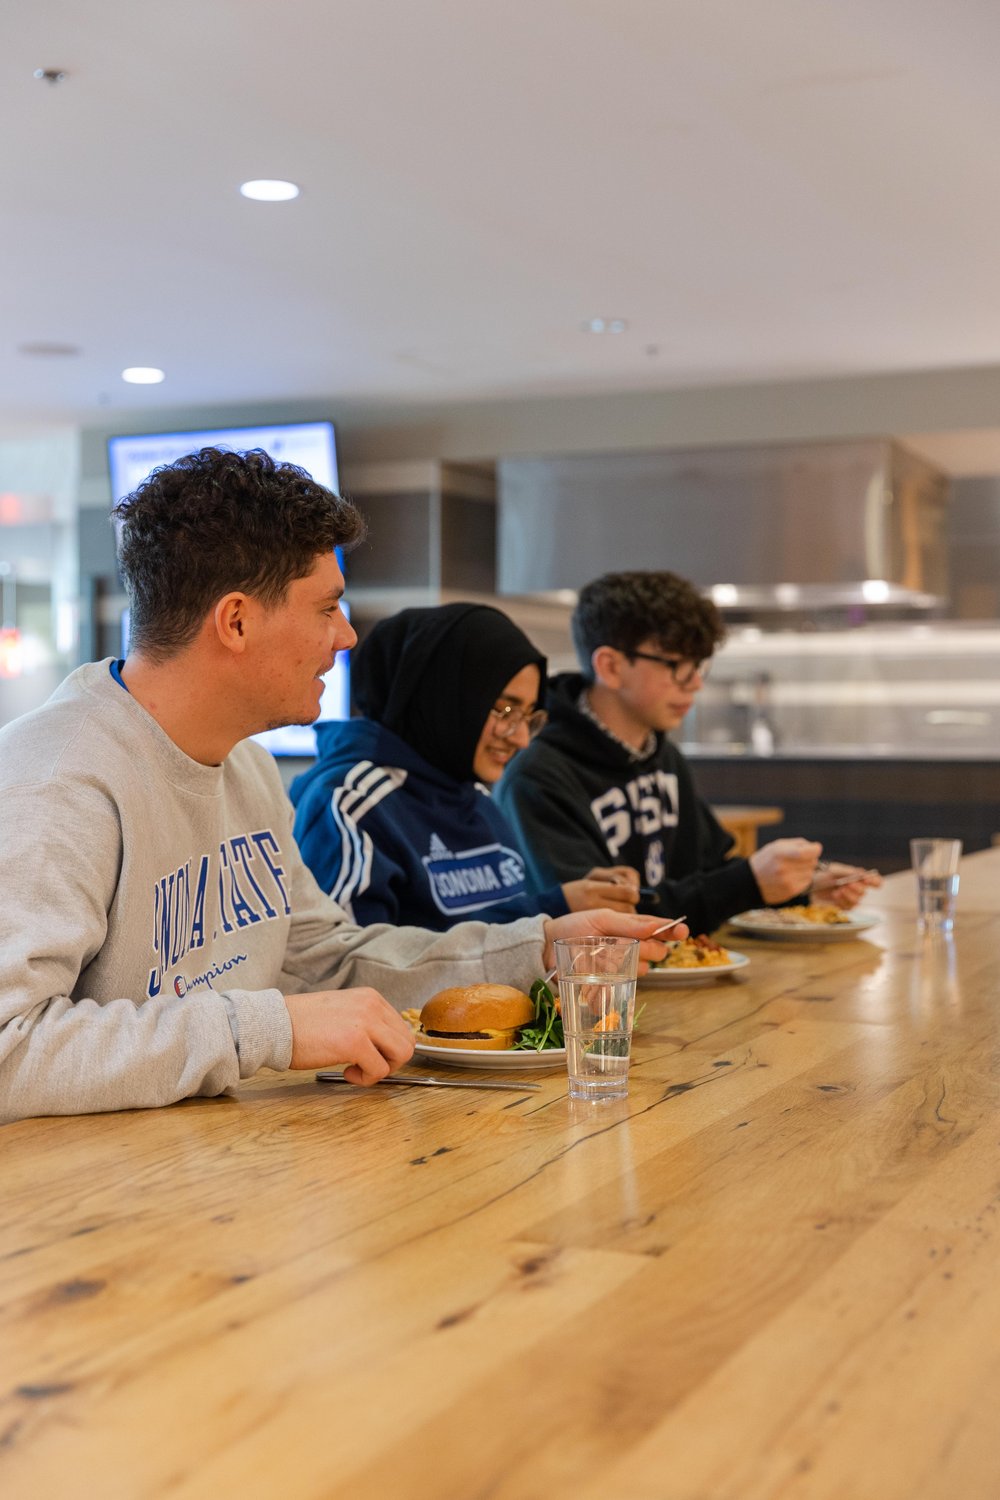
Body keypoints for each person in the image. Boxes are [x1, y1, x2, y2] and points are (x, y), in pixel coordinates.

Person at [0, 451, 677, 1125]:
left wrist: (538, 948)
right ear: (236, 621)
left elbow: (323, 960)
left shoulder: (249, 768)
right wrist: (270, 1030)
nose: (348, 636)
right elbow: (10, 1050)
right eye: (327, 608)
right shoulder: (56, 783)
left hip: (210, 1176)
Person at [494, 569, 880, 935]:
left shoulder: (664, 756)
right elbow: (597, 926)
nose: (694, 683)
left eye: (699, 665)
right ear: (610, 666)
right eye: (676, 664)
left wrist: (799, 889)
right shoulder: (537, 775)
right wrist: (749, 883)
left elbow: (713, 874)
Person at [290, 603, 640, 929]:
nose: (520, 738)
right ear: (443, 697)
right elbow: (354, 964)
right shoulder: (351, 802)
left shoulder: (477, 799)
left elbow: (486, 929)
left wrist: (562, 903)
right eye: (504, 710)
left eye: (529, 717)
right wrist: (555, 909)